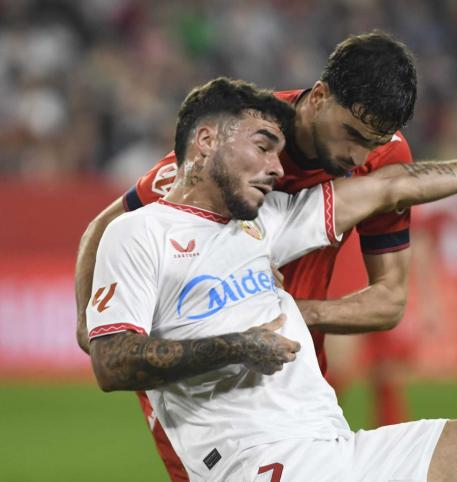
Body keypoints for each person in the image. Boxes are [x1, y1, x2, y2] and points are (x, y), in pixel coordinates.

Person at [87, 76, 457, 482]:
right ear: (205, 141)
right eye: (263, 147)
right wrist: (240, 345)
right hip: (257, 463)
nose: (276, 167)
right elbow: (111, 363)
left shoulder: (268, 221)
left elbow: (390, 188)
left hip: (334, 447)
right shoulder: (139, 233)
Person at [76, 32, 418, 478]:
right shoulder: (246, 136)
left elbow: (390, 299)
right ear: (319, 97)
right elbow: (105, 224)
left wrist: (293, 315)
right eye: (351, 134)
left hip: (296, 370)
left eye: (371, 143)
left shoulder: (384, 155)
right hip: (205, 387)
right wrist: (88, 323)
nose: (357, 157)